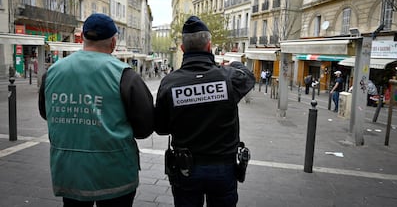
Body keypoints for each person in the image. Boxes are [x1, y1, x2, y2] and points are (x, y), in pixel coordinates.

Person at [38, 13, 155, 207]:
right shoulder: (124, 75)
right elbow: (145, 128)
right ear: (113, 42)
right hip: (113, 173)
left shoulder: (53, 72)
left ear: (83, 38)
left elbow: (45, 113)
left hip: (69, 171)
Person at [155, 16, 255, 207]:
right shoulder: (228, 77)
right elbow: (248, 76)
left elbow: (160, 128)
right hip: (223, 168)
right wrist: (229, 64)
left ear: (182, 49)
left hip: (186, 168)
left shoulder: (170, 82)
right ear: (209, 46)